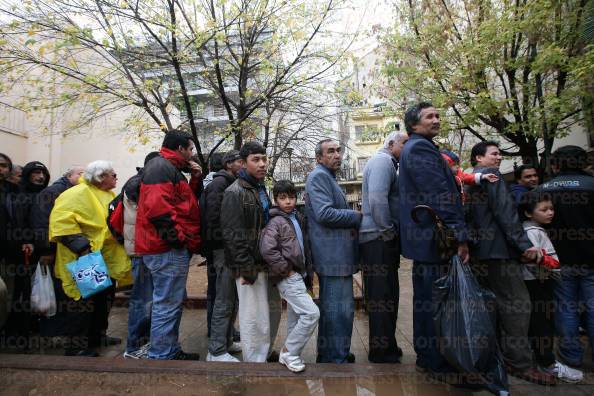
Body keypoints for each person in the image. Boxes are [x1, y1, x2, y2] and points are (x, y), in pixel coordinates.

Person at [465, 140, 554, 385]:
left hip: (481, 253)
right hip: (499, 253)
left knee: (496, 306)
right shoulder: (491, 176)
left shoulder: (471, 180)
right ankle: (521, 363)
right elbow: (505, 213)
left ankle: (499, 358)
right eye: (494, 154)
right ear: (478, 158)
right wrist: (524, 246)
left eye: (500, 154)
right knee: (518, 305)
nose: (499, 158)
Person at [398, 102, 468, 375]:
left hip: (426, 241)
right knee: (434, 302)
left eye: (438, 115)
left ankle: (429, 356)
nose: (436, 120)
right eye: (430, 116)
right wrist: (459, 237)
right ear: (414, 125)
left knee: (427, 300)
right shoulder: (420, 148)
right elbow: (439, 195)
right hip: (434, 241)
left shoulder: (418, 147)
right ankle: (435, 359)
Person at [49, 160, 132, 356]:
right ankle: (76, 346)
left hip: (106, 259)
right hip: (84, 259)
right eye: (113, 174)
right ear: (101, 177)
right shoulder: (75, 194)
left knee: (103, 300)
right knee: (82, 304)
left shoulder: (108, 194)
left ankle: (97, 336)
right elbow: (61, 224)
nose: (116, 177)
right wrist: (84, 250)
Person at [135, 131, 202, 360]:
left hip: (164, 248)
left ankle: (168, 350)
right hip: (166, 249)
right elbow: (158, 209)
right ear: (181, 148)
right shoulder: (161, 167)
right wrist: (178, 241)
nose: (192, 154)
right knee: (167, 304)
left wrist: (194, 179)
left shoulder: (169, 169)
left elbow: (182, 204)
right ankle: (161, 355)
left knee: (170, 303)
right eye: (191, 149)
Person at [220, 141, 281, 363]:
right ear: (243, 163)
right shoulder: (234, 192)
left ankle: (265, 353)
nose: (262, 164)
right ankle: (255, 363)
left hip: (267, 262)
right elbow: (232, 235)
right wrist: (247, 268)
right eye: (256, 159)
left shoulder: (260, 187)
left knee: (271, 314)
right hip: (250, 266)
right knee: (254, 318)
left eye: (264, 158)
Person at [537, 145, 594, 369]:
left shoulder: (543, 190)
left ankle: (571, 356)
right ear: (583, 162)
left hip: (559, 262)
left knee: (564, 307)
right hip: (591, 260)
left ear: (556, 164)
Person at [517, 191, 583, 382]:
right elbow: (531, 259)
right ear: (529, 213)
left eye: (551, 209)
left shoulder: (534, 229)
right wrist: (550, 269)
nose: (550, 213)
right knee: (542, 324)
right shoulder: (532, 232)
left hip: (538, 282)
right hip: (538, 282)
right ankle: (548, 364)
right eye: (544, 209)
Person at [305, 139, 361, 364]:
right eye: (331, 151)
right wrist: (358, 217)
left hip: (335, 258)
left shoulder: (327, 177)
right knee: (340, 312)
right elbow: (325, 214)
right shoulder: (319, 176)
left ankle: (331, 354)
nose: (337, 155)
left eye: (339, 150)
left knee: (333, 311)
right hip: (333, 258)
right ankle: (336, 358)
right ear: (319, 158)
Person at [260, 180, 318, 372]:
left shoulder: (297, 218)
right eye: (283, 198)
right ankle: (289, 352)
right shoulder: (275, 221)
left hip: (300, 276)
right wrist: (286, 270)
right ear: (275, 200)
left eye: (291, 197)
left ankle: (292, 355)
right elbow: (268, 250)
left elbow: (304, 247)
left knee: (297, 317)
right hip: (287, 276)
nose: (288, 202)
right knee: (311, 313)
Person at [359, 131, 407, 363]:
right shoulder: (382, 162)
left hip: (378, 239)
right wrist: (388, 233)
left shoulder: (386, 162)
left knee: (387, 295)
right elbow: (378, 200)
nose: (408, 147)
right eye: (404, 143)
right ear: (391, 144)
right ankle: (381, 351)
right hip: (378, 239)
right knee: (382, 297)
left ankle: (387, 345)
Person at [30, 165, 86, 340]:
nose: (84, 176)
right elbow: (42, 223)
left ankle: (65, 332)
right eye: (80, 173)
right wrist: (46, 250)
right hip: (55, 252)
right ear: (69, 176)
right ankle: (53, 333)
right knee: (56, 292)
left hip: (67, 252)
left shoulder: (76, 191)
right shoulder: (53, 192)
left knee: (67, 293)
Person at [117, 151, 160, 359]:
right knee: (143, 299)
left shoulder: (136, 182)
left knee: (148, 298)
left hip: (143, 249)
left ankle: (145, 342)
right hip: (141, 251)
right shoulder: (137, 183)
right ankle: (135, 347)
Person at [4, 161, 50, 345]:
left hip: (42, 249)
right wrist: (25, 241)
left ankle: (33, 325)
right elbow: (18, 220)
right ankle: (17, 331)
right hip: (24, 250)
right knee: (21, 291)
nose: (40, 177)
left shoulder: (45, 194)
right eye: (35, 173)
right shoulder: (18, 194)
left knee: (39, 289)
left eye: (42, 173)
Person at [205, 150, 245, 362]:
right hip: (223, 250)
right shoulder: (220, 184)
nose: (244, 165)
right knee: (224, 299)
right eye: (241, 161)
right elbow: (213, 219)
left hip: (229, 250)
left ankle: (227, 341)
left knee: (232, 299)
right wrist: (225, 245)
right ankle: (216, 350)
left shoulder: (230, 182)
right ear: (229, 164)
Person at [202, 151, 225, 336]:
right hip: (217, 247)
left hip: (210, 246)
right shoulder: (218, 185)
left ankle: (214, 328)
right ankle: (217, 331)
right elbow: (214, 218)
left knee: (215, 289)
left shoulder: (205, 183)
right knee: (219, 290)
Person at [0, 153, 18, 333]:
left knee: (7, 294)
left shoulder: (13, 191)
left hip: (9, 252)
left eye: (4, 166)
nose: (1, 169)